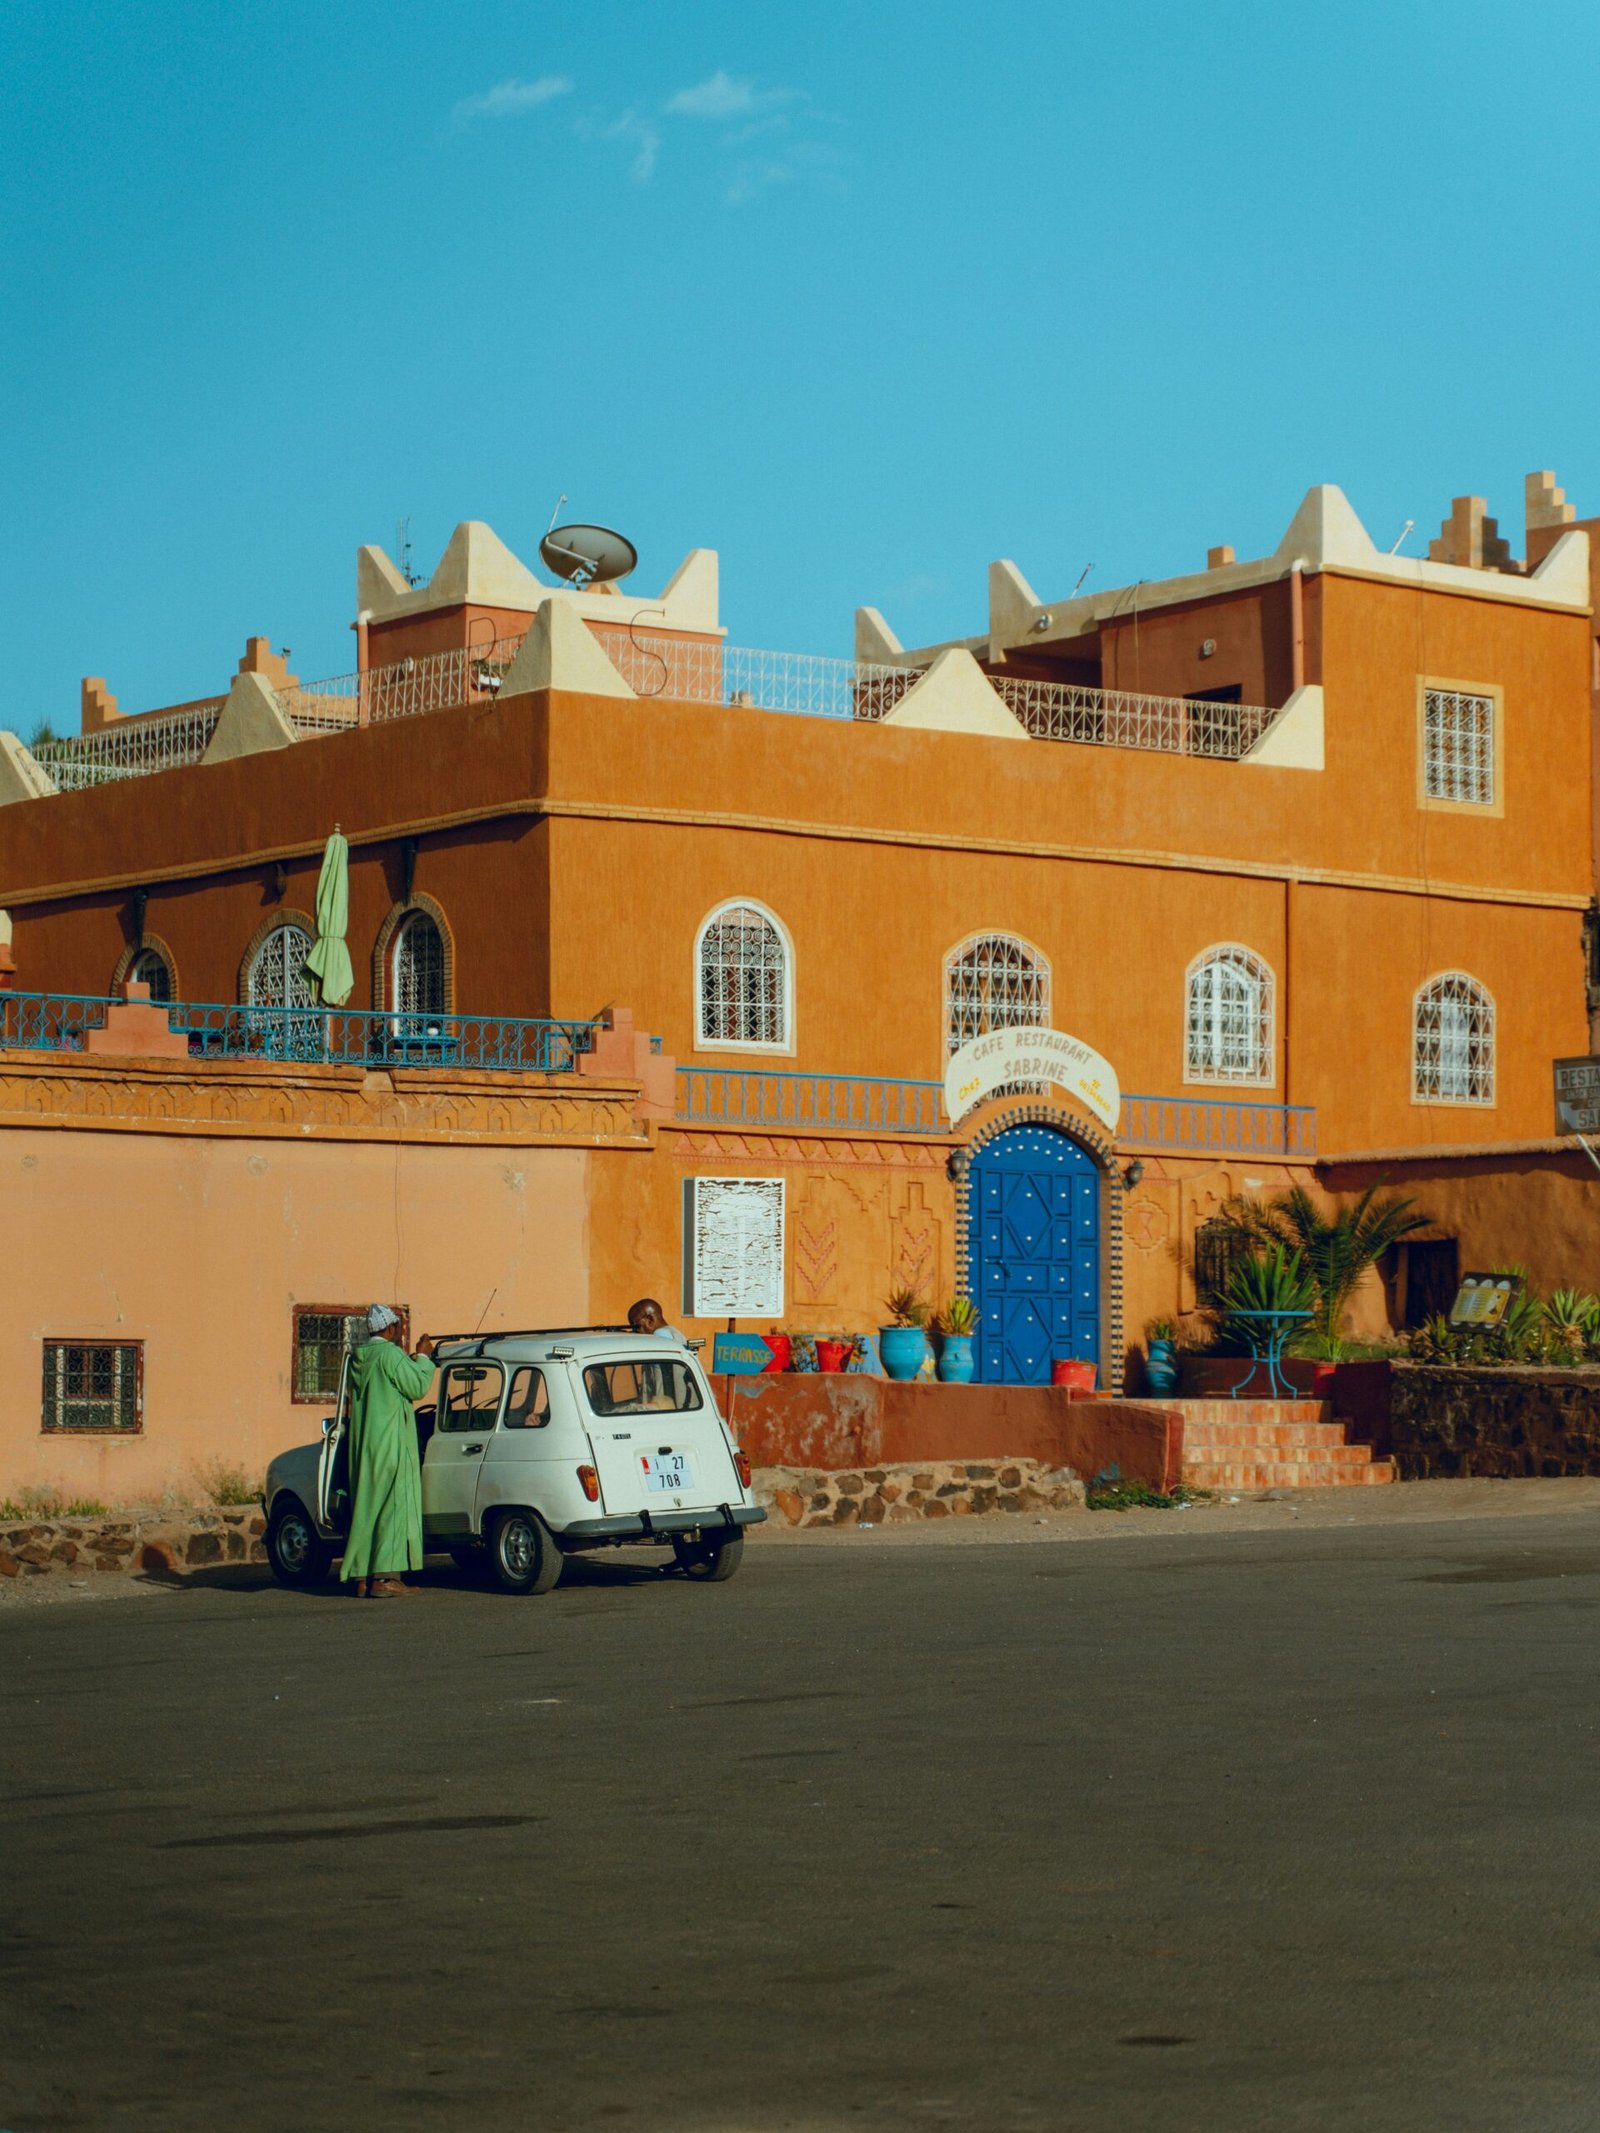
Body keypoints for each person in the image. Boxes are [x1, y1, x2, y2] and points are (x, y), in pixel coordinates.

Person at [341, 1305, 436, 1599]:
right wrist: (423, 1357)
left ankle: (362, 1576)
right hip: (390, 1444)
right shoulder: (389, 1355)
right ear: (391, 1328)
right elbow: (417, 1386)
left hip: (364, 1447)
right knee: (393, 1509)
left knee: (366, 1510)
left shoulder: (358, 1358)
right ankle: (385, 1577)